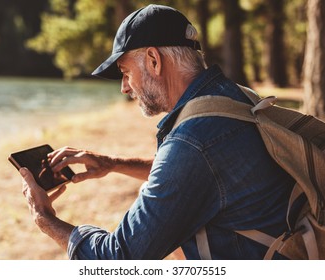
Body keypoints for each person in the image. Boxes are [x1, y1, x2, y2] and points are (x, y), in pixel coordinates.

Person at [20, 4, 295, 260]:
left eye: (125, 73)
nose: (124, 88)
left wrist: (45, 218)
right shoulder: (234, 97)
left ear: (153, 60)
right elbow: (201, 173)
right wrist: (113, 164)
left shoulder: (193, 141)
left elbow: (117, 260)